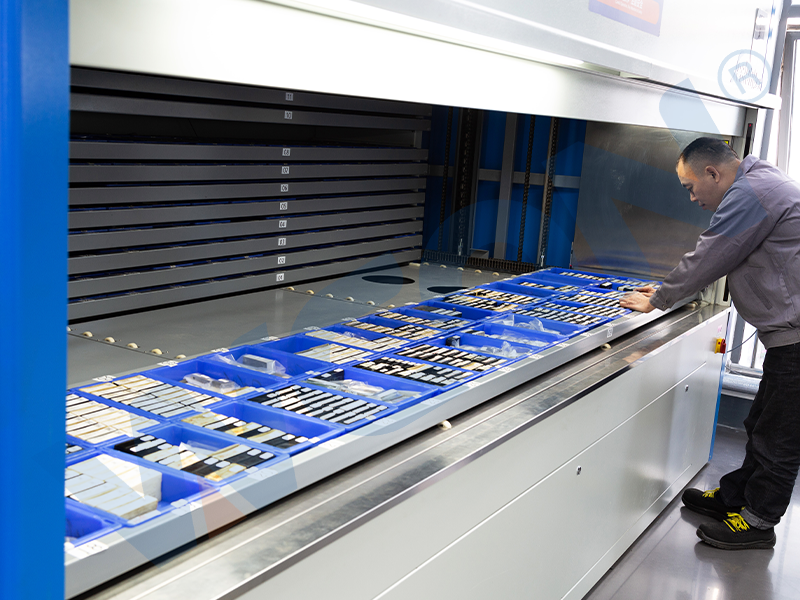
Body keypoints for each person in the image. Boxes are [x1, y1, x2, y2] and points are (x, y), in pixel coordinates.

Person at [620, 137, 800, 550]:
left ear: (712, 173)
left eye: (690, 187)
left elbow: (714, 252)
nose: (692, 197)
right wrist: (665, 289)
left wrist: (658, 299)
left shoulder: (753, 193)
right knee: (762, 423)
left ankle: (758, 524)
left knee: (779, 436)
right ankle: (736, 498)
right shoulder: (761, 183)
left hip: (795, 337)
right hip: (788, 335)